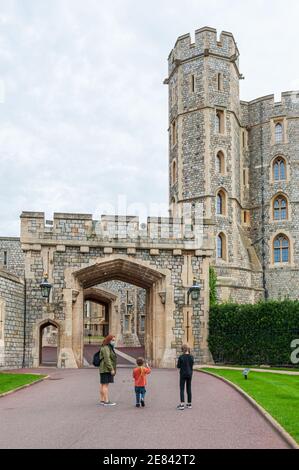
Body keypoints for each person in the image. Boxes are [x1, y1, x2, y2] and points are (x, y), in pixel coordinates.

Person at [99, 334, 117, 406]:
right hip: (106, 369)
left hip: (103, 368)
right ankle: (106, 401)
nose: (113, 342)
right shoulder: (106, 348)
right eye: (112, 340)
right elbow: (107, 359)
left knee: (103, 385)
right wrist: (111, 369)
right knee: (105, 385)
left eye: (114, 340)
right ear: (109, 340)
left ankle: (102, 400)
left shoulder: (107, 347)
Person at [176, 344, 194, 410]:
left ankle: (182, 404)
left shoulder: (181, 357)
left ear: (182, 349)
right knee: (189, 388)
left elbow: (178, 366)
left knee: (182, 389)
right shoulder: (191, 357)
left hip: (183, 374)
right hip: (190, 374)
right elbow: (192, 365)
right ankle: (189, 404)